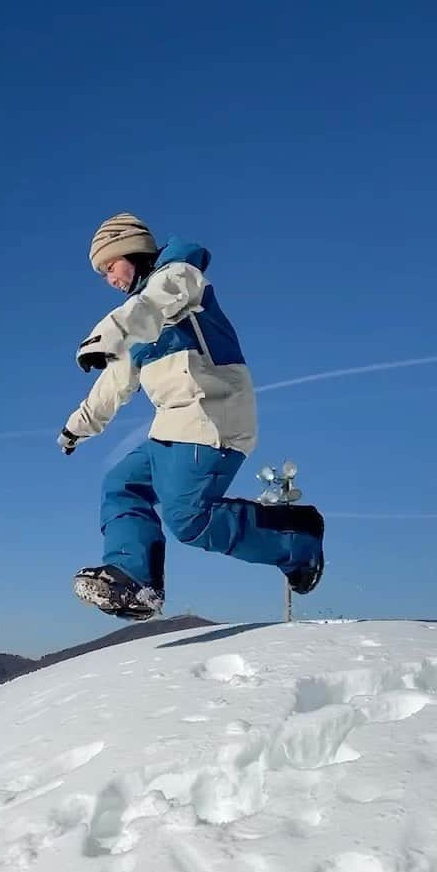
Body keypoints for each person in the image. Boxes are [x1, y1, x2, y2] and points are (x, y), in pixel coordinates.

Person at [58, 213, 324, 621]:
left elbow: (153, 303)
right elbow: (113, 384)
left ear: (131, 250)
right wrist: (76, 427)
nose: (108, 279)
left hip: (212, 415)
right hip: (174, 426)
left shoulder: (177, 276)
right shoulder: (135, 320)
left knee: (189, 520)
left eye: (109, 267)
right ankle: (135, 578)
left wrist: (106, 335)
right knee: (122, 483)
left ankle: (297, 540)